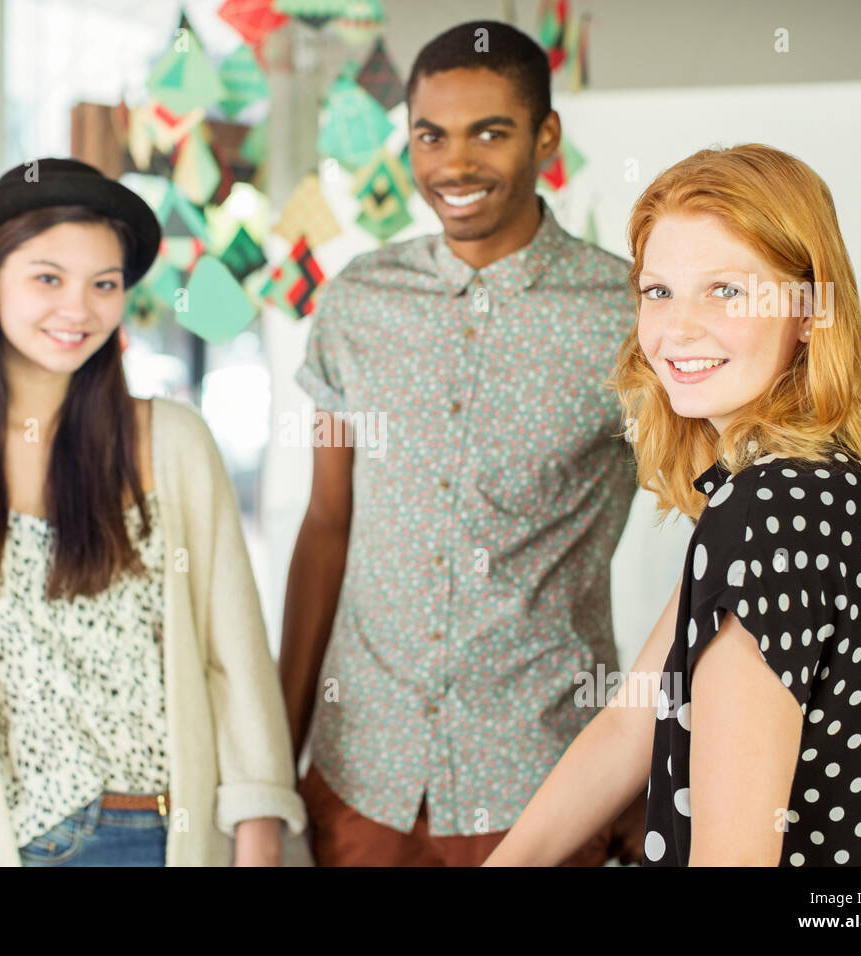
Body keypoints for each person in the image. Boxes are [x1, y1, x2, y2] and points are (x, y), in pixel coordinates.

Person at [486, 143, 861, 867]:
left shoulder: (766, 516)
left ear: (807, 310)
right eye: (658, 291)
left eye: (726, 291)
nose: (678, 329)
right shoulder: (822, 478)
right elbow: (628, 727)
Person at [0, 157, 306, 867]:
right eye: (48, 278)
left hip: (169, 837)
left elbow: (235, 657)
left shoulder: (172, 442)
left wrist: (259, 840)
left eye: (105, 284)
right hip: (20, 843)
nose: (79, 309)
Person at [280, 20, 645, 866]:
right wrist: (278, 749)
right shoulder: (357, 303)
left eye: (491, 131)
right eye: (431, 135)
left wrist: (657, 752)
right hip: (360, 773)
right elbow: (326, 523)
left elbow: (721, 536)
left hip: (544, 781)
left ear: (545, 137)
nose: (456, 165)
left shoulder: (628, 316)